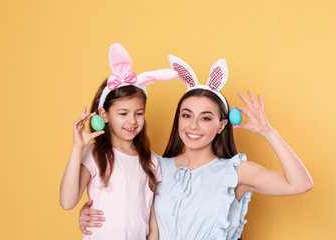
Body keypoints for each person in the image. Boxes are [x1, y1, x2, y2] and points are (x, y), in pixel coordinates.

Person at [78, 55, 313, 240]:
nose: (194, 126)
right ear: (178, 118)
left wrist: (268, 133)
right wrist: (89, 216)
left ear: (222, 125)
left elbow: (300, 184)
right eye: (187, 115)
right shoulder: (154, 165)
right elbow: (123, 204)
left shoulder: (235, 172)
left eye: (206, 118)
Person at [59, 43, 178, 240]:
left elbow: (152, 223)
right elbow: (67, 201)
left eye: (138, 113)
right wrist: (78, 148)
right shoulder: (95, 154)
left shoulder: (151, 162)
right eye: (123, 113)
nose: (132, 120)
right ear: (104, 115)